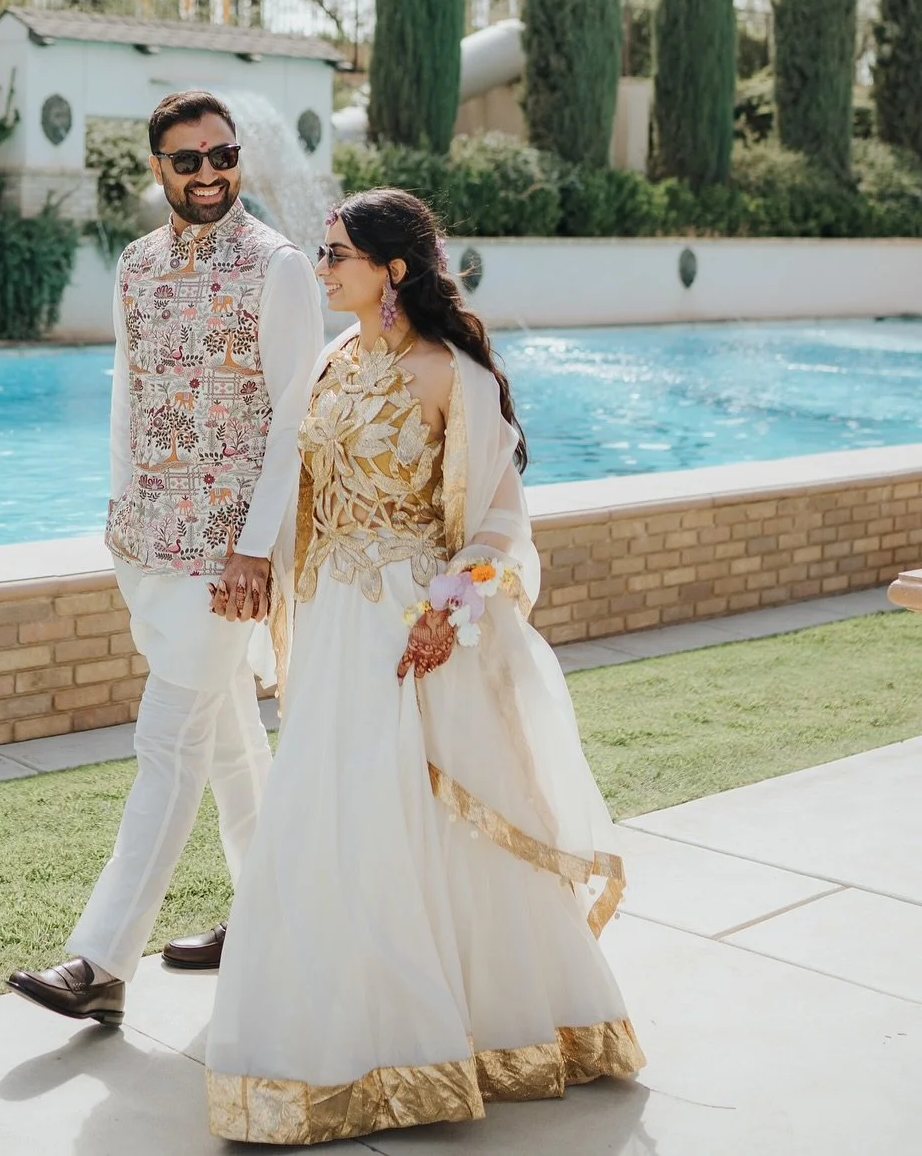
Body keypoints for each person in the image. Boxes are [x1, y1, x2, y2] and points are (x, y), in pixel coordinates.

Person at [206, 187, 643, 1144]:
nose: (322, 269)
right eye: (323, 253)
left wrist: (452, 608)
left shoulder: (456, 378)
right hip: (328, 620)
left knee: (405, 812)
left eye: (338, 255)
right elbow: (302, 490)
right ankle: (334, 1026)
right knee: (328, 809)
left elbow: (498, 523)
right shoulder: (331, 363)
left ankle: (443, 1042)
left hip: (409, 625)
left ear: (392, 271)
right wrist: (255, 576)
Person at [8, 89, 324, 1027]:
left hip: (227, 560)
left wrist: (256, 550)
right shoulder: (136, 265)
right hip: (146, 543)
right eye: (186, 160)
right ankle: (270, 912)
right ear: (157, 168)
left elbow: (294, 423)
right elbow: (127, 395)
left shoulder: (279, 269)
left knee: (166, 744)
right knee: (228, 743)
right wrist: (119, 518)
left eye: (221, 155)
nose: (208, 173)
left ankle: (100, 961)